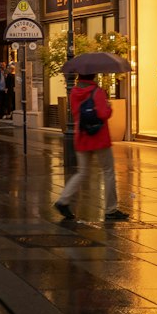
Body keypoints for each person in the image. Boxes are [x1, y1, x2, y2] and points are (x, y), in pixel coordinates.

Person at [54, 75, 129, 222]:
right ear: (93, 76)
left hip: (82, 137)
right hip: (99, 137)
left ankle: (63, 200)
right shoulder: (97, 91)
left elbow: (76, 114)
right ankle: (110, 209)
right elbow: (103, 114)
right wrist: (109, 107)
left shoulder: (74, 92)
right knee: (108, 171)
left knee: (82, 172)